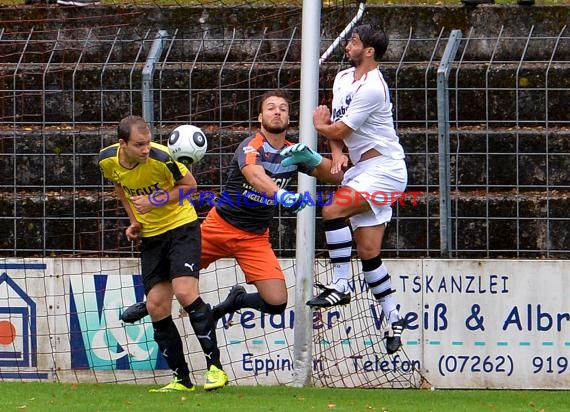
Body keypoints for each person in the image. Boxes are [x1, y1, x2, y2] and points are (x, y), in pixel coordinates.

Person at [120, 90, 341, 328]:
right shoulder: (251, 145)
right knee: (172, 273)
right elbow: (254, 175)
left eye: (283, 108)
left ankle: (234, 302)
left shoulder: (294, 152)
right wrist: (281, 194)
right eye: (271, 108)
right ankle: (148, 303)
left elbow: (336, 176)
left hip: (254, 237)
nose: (277, 111)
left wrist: (316, 159)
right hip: (220, 227)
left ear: (289, 118)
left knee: (277, 302)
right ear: (260, 117)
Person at [282, 24, 407, 355]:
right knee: (368, 252)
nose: (347, 46)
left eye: (353, 42)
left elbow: (337, 125)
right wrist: (336, 155)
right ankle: (393, 317)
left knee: (332, 209)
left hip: (385, 170)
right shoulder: (341, 80)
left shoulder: (373, 88)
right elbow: (338, 132)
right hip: (360, 169)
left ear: (369, 51)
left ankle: (340, 283)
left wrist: (319, 125)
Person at [98, 115, 228, 393]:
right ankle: (182, 379)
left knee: (184, 292)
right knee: (156, 305)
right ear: (123, 144)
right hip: (152, 237)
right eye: (139, 145)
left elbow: (190, 187)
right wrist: (134, 220)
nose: (146, 149)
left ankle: (215, 369)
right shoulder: (107, 159)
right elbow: (119, 186)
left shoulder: (163, 157)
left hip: (182, 227)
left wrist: (154, 199)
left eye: (148, 143)